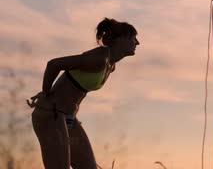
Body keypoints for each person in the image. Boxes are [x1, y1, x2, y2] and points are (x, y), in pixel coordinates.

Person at [27, 18, 140, 169]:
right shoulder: (99, 57)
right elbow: (54, 64)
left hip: (69, 118)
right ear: (120, 39)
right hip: (51, 115)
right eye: (133, 38)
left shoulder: (110, 66)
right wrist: (45, 93)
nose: (137, 43)